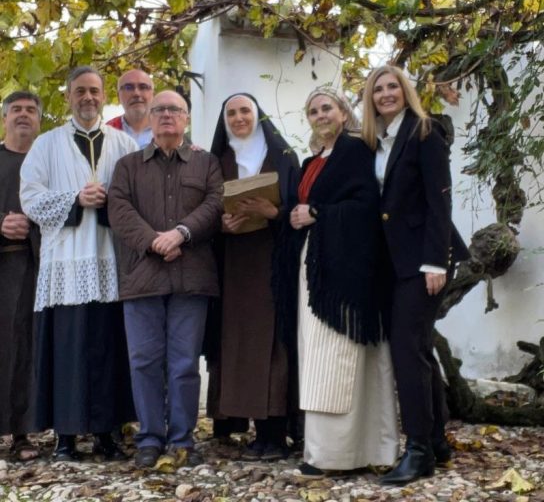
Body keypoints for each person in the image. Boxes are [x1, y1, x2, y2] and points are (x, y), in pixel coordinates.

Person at [20, 66, 138, 462]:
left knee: (108, 349)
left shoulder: (124, 144)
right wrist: (75, 199)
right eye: (80, 91)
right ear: (68, 96)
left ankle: (107, 434)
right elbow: (30, 197)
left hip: (110, 259)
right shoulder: (47, 145)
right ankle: (66, 437)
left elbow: (135, 196)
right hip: (65, 264)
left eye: (94, 91)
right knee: (66, 351)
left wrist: (109, 203)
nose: (88, 97)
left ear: (104, 96)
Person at [361, 65, 470, 486]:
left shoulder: (425, 131)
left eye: (393, 86)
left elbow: (440, 202)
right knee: (417, 349)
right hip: (392, 262)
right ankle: (437, 441)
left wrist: (436, 262)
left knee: (408, 352)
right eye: (378, 89)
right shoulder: (376, 140)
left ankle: (419, 449)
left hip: (424, 260)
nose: (386, 94)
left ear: (405, 91)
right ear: (370, 98)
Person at [284, 87, 399, 477]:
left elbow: (366, 206)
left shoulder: (355, 150)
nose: (320, 115)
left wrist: (317, 212)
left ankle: (342, 455)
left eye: (326, 108)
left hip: (345, 274)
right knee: (317, 356)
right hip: (316, 266)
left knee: (338, 357)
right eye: (313, 111)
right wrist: (296, 214)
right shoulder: (311, 161)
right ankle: (327, 451)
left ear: (343, 112)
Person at [108, 90, 223, 469]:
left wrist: (181, 234)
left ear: (186, 118)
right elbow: (118, 208)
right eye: (159, 110)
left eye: (175, 109)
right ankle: (150, 438)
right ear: (150, 118)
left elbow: (215, 203)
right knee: (143, 361)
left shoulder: (206, 163)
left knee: (184, 363)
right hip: (142, 277)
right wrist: (154, 241)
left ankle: (182, 438)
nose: (167, 115)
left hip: (192, 277)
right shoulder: (128, 166)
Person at [206, 93, 300, 460]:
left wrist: (272, 211)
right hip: (232, 266)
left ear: (258, 115)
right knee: (237, 344)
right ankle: (239, 425)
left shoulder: (283, 157)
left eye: (245, 110)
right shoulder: (217, 162)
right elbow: (204, 209)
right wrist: (221, 224)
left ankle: (273, 433)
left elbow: (297, 209)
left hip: (273, 263)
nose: (239, 117)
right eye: (231, 113)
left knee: (272, 346)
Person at [0, 91, 42, 461]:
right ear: (5, 118)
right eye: (16, 110)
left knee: (24, 348)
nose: (24, 115)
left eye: (30, 110)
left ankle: (21, 433)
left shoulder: (46, 161)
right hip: (2, 264)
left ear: (39, 119)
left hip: (37, 266)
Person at [107, 69, 154, 149]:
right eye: (128, 87)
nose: (136, 93)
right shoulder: (106, 132)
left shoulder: (169, 130)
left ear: (153, 94)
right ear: (118, 96)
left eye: (143, 87)